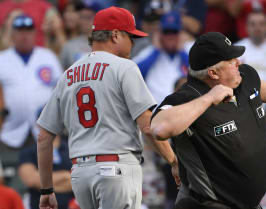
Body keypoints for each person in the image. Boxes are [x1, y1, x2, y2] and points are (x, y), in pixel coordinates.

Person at [150, 31, 266, 209]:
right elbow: (159, 128)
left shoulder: (243, 76)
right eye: (231, 61)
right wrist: (209, 99)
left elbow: (256, 87)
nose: (238, 62)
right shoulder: (188, 97)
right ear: (213, 73)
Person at [36, 6, 177, 209]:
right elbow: (147, 126)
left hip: (80, 174)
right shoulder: (124, 67)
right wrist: (174, 161)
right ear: (116, 35)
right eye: (131, 37)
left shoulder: (68, 74)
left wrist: (47, 189)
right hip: (116, 168)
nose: (132, 44)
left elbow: (43, 136)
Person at [0, 14, 62, 150]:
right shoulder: (2, 59)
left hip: (45, 130)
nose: (24, 36)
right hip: (9, 131)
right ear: (12, 35)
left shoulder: (48, 56)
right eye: (20, 31)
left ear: (34, 34)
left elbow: (61, 90)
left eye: (28, 31)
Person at [133, 11, 189, 103]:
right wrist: (156, 51)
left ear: (181, 33)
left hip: (183, 110)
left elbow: (199, 74)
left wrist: (182, 53)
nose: (170, 36)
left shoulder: (189, 50)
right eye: (166, 32)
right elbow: (133, 74)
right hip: (155, 111)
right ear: (159, 33)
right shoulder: (149, 52)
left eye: (174, 32)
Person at [18, 136, 73, 209]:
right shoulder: (29, 151)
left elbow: (81, 180)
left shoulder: (72, 149)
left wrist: (45, 186)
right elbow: (31, 180)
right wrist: (65, 176)